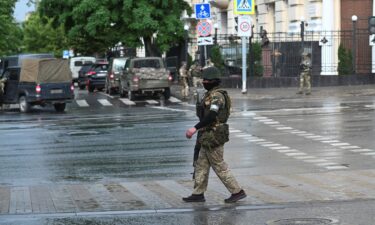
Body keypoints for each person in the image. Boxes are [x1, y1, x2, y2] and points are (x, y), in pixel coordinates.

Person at [183, 66, 246, 203]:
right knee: (201, 164)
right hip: (207, 134)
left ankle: (237, 191)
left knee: (218, 164)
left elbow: (212, 115)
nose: (204, 82)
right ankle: (198, 193)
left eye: (206, 80)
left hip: (214, 135)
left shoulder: (217, 96)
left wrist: (194, 128)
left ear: (213, 81)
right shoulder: (210, 94)